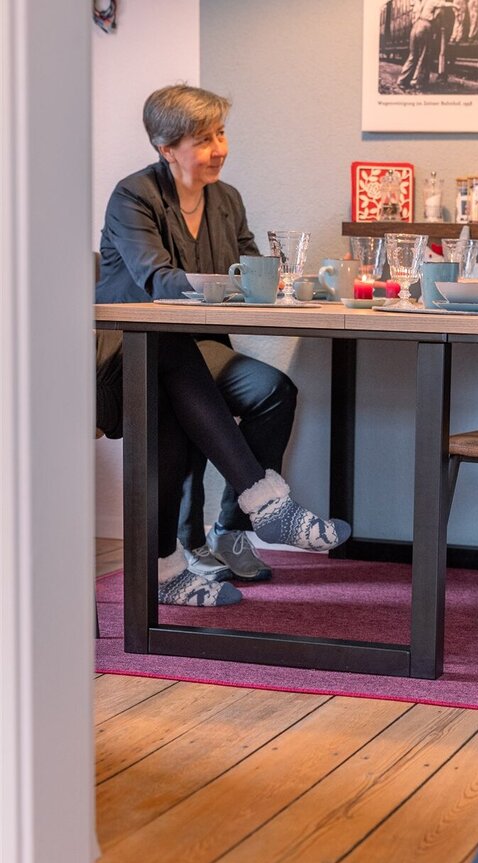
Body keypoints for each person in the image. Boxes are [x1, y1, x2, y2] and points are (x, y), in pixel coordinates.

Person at [96, 84, 297, 586]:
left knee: (274, 391)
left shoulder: (227, 199)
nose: (219, 149)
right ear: (167, 149)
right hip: (130, 352)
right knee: (177, 408)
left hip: (198, 348)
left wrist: (287, 280)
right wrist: (240, 282)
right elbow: (157, 280)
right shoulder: (134, 196)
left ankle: (231, 528)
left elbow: (255, 269)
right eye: (203, 139)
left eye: (221, 133)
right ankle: (199, 538)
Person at [95, 330, 350, 608]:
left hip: (173, 340)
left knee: (269, 387)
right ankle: (268, 508)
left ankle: (171, 564)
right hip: (85, 360)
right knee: (162, 349)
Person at [397, 0, 456, 91]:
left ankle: (401, 81)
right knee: (423, 56)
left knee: (412, 56)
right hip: (424, 26)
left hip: (415, 27)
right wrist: (455, 5)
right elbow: (443, 4)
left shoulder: (420, 2)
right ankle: (418, 82)